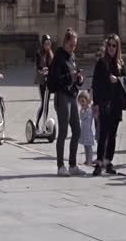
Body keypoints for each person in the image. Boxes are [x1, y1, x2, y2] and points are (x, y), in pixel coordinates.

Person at [48, 28, 86, 176]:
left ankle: (73, 165)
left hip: (72, 95)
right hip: (62, 95)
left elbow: (73, 75)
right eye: (71, 45)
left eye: (75, 45)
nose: (73, 48)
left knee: (77, 130)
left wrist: (78, 79)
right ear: (65, 43)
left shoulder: (72, 56)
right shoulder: (58, 57)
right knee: (63, 131)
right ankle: (60, 166)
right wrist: (69, 76)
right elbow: (54, 80)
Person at [92, 34, 126, 176]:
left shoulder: (120, 64)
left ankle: (108, 162)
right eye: (110, 45)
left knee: (112, 134)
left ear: (117, 47)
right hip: (104, 103)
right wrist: (95, 103)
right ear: (106, 47)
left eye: (114, 45)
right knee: (103, 135)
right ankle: (99, 162)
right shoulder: (101, 63)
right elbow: (95, 83)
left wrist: (117, 80)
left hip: (116, 104)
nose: (111, 48)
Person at [34, 34, 53, 131]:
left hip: (49, 80)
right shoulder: (39, 53)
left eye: (49, 44)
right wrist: (42, 69)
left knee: (47, 103)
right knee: (43, 103)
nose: (48, 46)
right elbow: (38, 66)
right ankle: (36, 123)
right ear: (42, 44)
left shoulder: (50, 54)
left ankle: (44, 123)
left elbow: (53, 65)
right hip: (42, 80)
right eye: (46, 44)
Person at [77, 90, 94, 166]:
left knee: (89, 147)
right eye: (80, 102)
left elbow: (84, 117)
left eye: (83, 101)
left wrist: (83, 111)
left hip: (88, 131)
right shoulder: (83, 110)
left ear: (87, 101)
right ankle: (87, 160)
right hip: (83, 130)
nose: (81, 104)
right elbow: (81, 117)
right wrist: (82, 111)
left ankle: (89, 160)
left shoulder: (89, 110)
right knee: (85, 146)